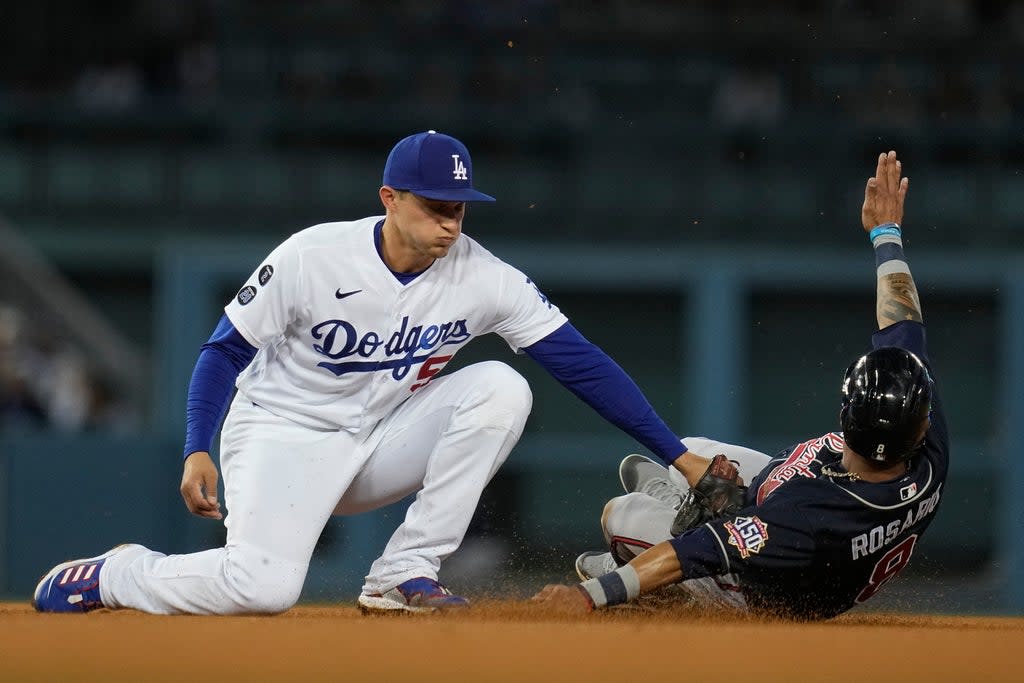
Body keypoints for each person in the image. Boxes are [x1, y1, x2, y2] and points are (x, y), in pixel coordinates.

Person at [33, 130, 701, 615]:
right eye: (434, 205)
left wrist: (678, 457)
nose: (450, 222)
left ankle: (403, 571)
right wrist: (197, 446)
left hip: (375, 442)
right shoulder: (314, 257)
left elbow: (581, 362)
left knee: (504, 386)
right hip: (278, 435)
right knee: (262, 588)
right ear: (389, 197)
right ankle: (118, 575)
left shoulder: (482, 275)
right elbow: (223, 352)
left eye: (459, 207)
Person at [533, 150, 948, 620]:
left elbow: (689, 555)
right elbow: (904, 324)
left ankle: (660, 569)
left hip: (765, 592)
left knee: (621, 514)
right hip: (807, 539)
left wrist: (592, 596)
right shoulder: (927, 446)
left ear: (845, 415)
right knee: (689, 451)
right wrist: (887, 234)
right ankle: (706, 505)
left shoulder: (808, 511)